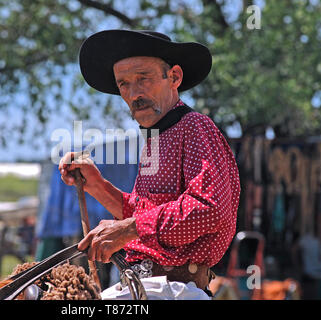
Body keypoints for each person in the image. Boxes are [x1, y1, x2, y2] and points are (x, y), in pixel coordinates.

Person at [59, 30, 241, 299]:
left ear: (174, 77)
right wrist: (96, 185)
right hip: (143, 286)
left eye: (143, 78)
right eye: (124, 84)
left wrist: (129, 229)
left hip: (173, 291)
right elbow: (143, 214)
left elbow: (210, 209)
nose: (134, 94)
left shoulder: (194, 127)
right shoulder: (156, 138)